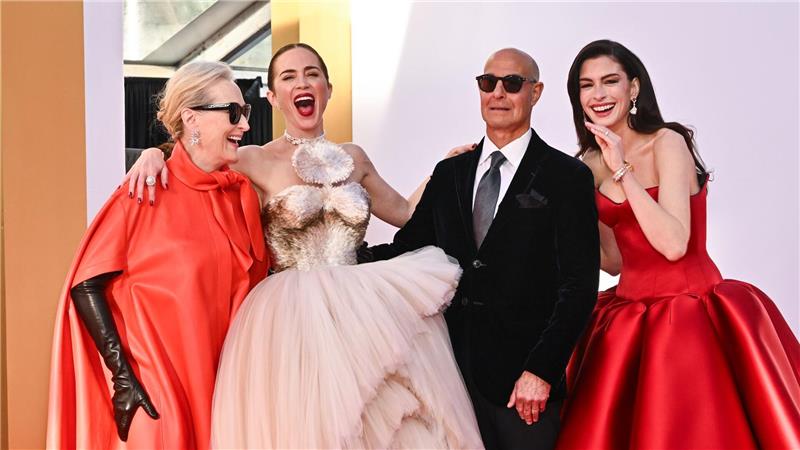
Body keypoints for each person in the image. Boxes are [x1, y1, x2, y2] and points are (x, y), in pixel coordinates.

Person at [125, 43, 483, 448]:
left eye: (312, 73)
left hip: (361, 309)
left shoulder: (355, 157)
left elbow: (404, 211)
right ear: (273, 97)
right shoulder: (251, 158)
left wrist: (442, 170)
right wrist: (153, 154)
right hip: (291, 315)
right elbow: (194, 159)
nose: (303, 82)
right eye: (288, 76)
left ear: (328, 89)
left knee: (383, 422)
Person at [555, 39, 800, 449]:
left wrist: (623, 174)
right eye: (586, 85)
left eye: (610, 81)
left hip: (690, 313)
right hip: (626, 317)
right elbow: (613, 261)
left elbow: (672, 244)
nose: (598, 94)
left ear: (633, 89)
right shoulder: (589, 163)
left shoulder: (667, 142)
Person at [363, 48, 600, 450]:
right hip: (448, 376)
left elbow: (578, 285)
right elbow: (408, 249)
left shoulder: (567, 176)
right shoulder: (450, 173)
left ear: (536, 92)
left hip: (522, 387)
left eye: (512, 84)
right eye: (488, 83)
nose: (498, 94)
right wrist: (337, 261)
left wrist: (541, 371)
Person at [47, 61, 269, 449]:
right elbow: (86, 283)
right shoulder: (146, 189)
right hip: (158, 393)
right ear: (191, 118)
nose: (245, 126)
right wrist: (123, 378)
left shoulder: (241, 197)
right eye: (233, 113)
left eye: (246, 112)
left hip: (226, 390)